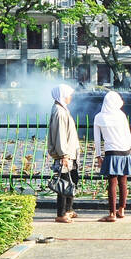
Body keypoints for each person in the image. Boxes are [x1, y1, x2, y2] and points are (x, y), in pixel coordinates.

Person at [92, 91, 131, 222]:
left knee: (112, 183)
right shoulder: (121, 115)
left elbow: (97, 140)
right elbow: (128, 134)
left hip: (111, 152)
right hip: (125, 151)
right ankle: (122, 210)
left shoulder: (99, 117)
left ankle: (112, 214)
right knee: (123, 182)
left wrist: (98, 156)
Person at [47, 83, 80, 223]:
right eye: (68, 95)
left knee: (72, 180)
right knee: (64, 183)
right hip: (65, 155)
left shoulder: (62, 109)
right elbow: (60, 135)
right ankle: (61, 213)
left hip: (70, 154)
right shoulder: (60, 112)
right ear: (62, 95)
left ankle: (68, 209)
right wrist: (63, 155)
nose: (70, 97)